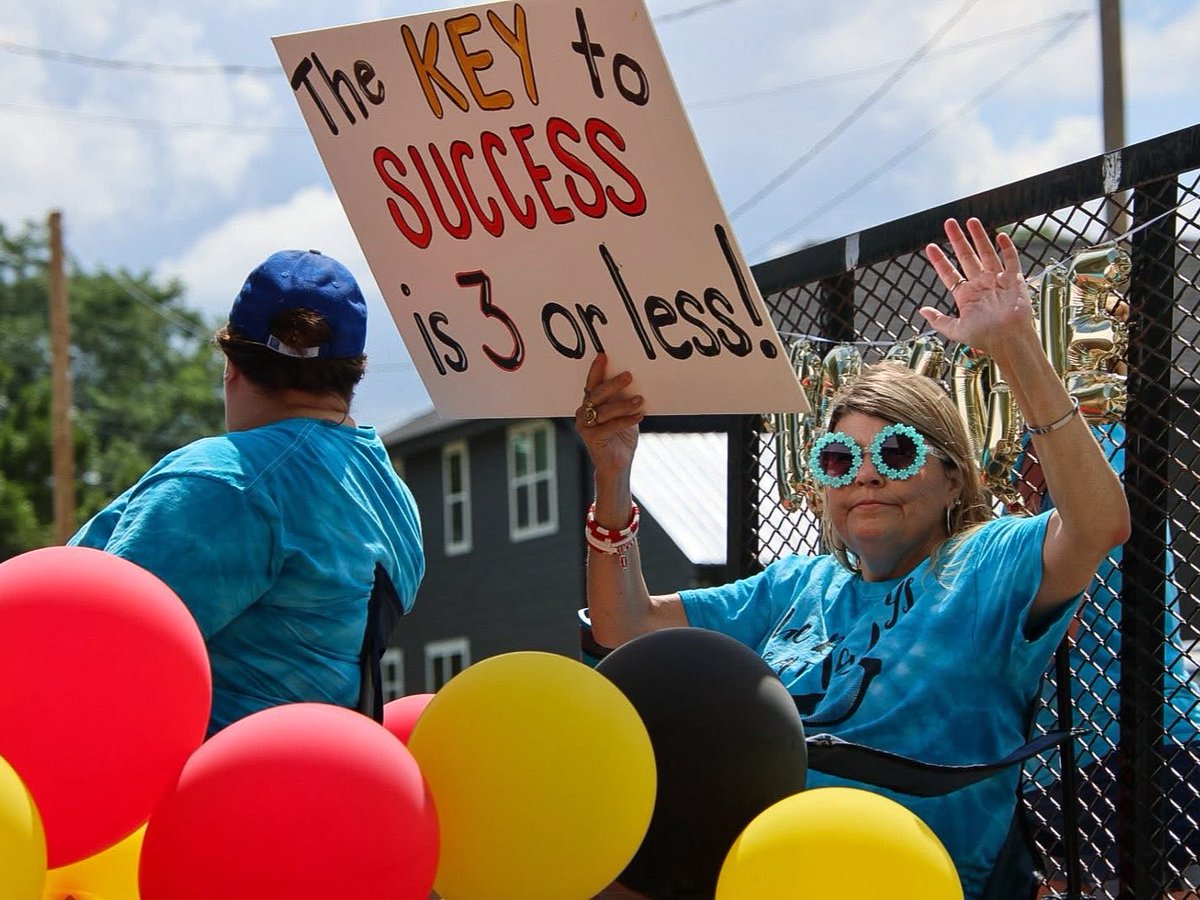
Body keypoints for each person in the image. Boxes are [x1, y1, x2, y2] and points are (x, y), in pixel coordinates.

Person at [575, 218, 1131, 900]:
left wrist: (1015, 345)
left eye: (895, 452)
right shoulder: (796, 586)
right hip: (755, 856)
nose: (865, 476)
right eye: (838, 460)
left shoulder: (986, 564)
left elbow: (1099, 524)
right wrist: (613, 472)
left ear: (954, 477)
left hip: (895, 868)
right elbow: (623, 626)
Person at [70, 249, 424, 736]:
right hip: (324, 788)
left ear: (231, 365)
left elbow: (90, 653)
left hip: (194, 796)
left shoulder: (227, 480)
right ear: (353, 373)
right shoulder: (395, 498)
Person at [1020, 425, 1200, 898]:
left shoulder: (1074, 454)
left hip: (1108, 743)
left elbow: (1052, 620)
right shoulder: (1112, 441)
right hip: (1091, 745)